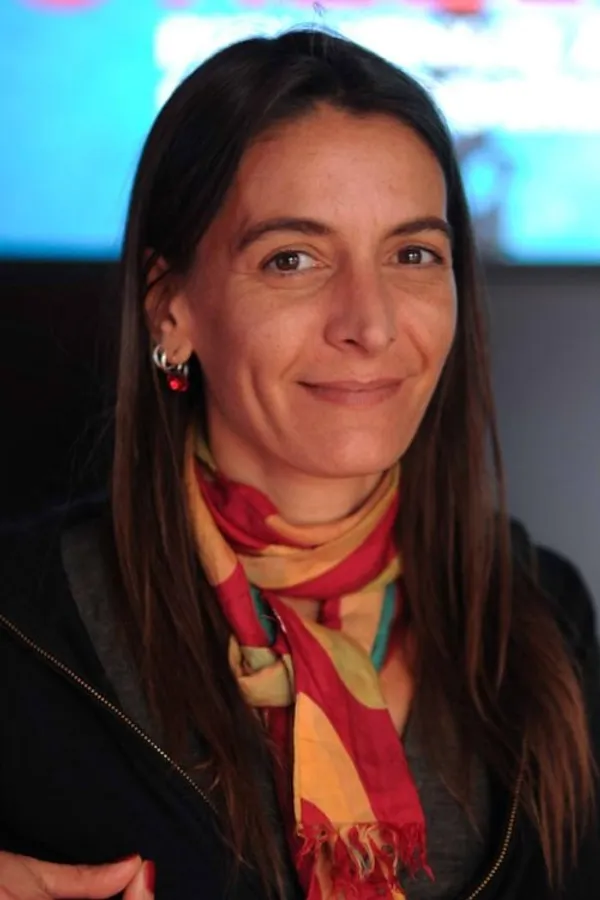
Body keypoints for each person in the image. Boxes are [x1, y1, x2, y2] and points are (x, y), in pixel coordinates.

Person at [0, 27, 598, 900]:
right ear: (170, 309)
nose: (371, 323)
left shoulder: (543, 614)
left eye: (413, 254)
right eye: (293, 259)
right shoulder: (23, 624)